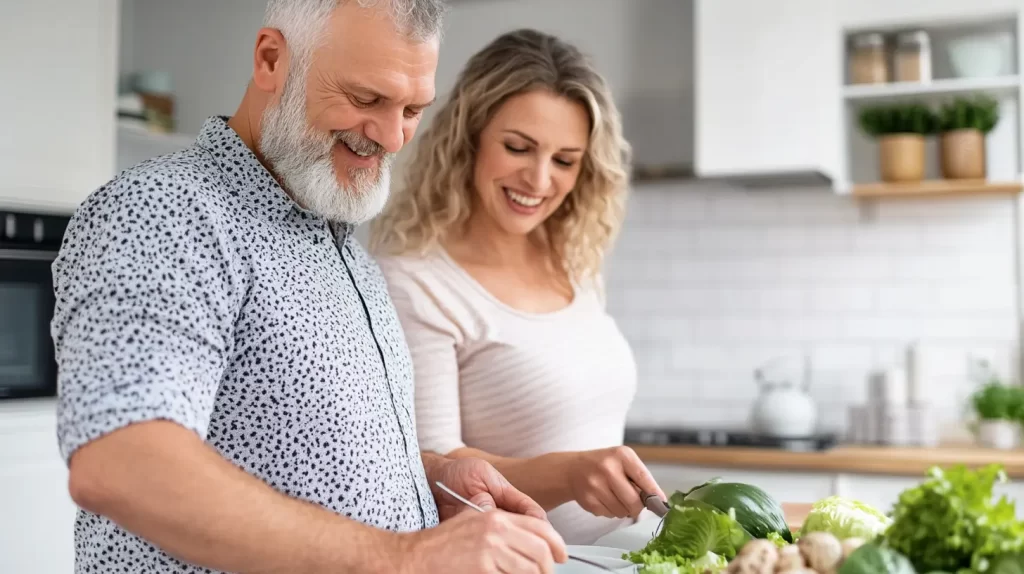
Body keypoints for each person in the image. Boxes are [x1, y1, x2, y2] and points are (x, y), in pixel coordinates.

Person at [51, 2, 567, 573]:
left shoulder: (343, 247)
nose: (392, 137)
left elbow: (290, 449)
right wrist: (406, 556)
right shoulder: (167, 212)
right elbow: (123, 463)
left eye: (414, 109)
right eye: (366, 99)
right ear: (271, 59)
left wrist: (425, 477)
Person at [369, 28, 665, 545]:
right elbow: (435, 473)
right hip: (530, 559)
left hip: (622, 555)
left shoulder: (573, 265)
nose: (539, 179)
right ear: (470, 138)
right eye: (518, 148)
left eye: (565, 160)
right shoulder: (417, 283)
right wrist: (570, 475)